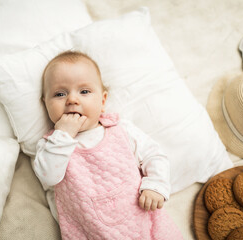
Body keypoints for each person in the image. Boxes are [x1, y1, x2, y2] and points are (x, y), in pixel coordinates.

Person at [32, 50, 183, 239]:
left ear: (102, 101)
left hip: (144, 221)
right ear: (45, 103)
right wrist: (63, 135)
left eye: (84, 91)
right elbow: (48, 177)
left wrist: (155, 185)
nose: (72, 100)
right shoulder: (51, 145)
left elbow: (154, 155)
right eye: (60, 94)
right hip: (89, 230)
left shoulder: (121, 130)